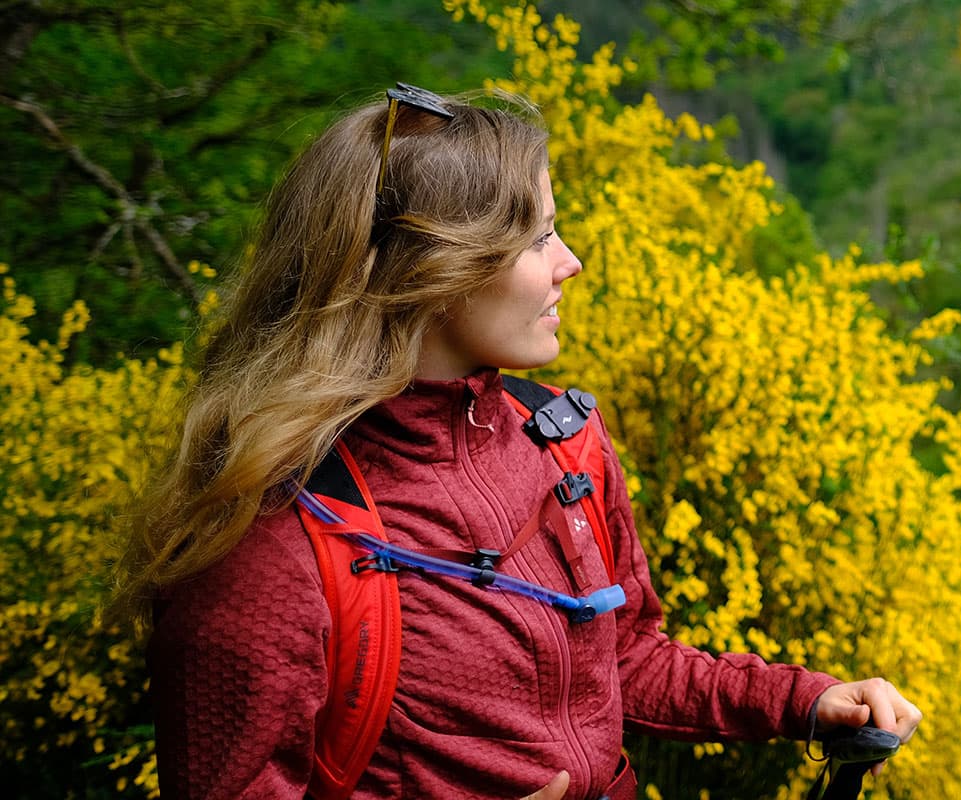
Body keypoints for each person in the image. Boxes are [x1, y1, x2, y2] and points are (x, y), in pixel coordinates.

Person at [114, 86, 920, 800]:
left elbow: (624, 659)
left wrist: (803, 702)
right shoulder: (273, 538)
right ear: (434, 271)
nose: (571, 262)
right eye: (537, 239)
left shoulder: (563, 443)